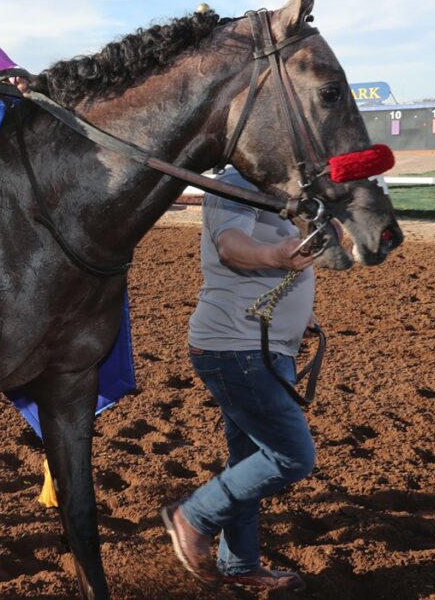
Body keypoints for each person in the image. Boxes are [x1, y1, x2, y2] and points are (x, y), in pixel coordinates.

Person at [160, 165, 317, 591]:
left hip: (261, 347)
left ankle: (240, 564)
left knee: (249, 463)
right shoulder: (237, 182)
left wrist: (301, 313)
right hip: (238, 349)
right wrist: (278, 255)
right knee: (291, 456)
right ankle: (193, 516)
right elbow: (230, 245)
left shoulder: (276, 186)